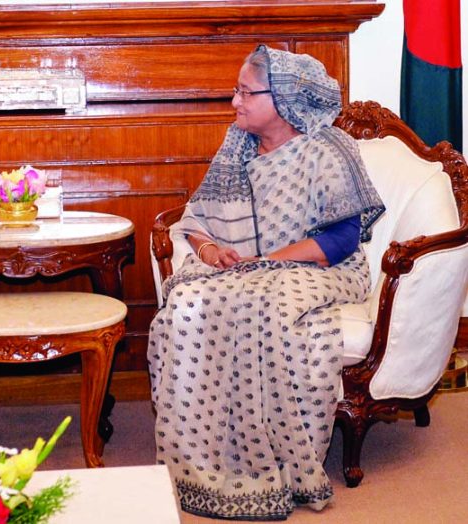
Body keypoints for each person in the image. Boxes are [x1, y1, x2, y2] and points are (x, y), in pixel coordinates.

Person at [147, 45, 385, 520]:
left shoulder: (328, 149)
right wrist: (212, 251)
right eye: (235, 91)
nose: (234, 102)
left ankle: (278, 463)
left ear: (285, 99)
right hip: (239, 269)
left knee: (269, 309)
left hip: (318, 268)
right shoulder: (236, 145)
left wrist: (267, 261)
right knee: (187, 305)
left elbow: (340, 239)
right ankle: (198, 464)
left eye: (244, 92)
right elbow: (197, 219)